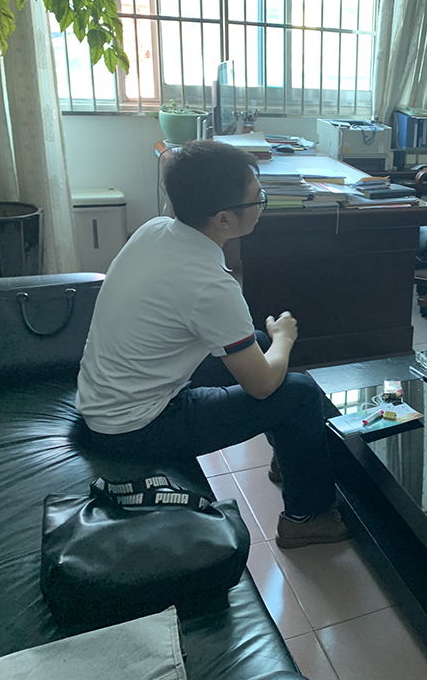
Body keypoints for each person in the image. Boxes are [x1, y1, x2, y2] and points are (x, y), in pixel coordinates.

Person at [75, 140, 348, 549]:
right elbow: (262, 386)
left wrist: (271, 344)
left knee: (257, 343)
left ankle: (291, 457)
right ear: (223, 218)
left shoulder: (155, 230)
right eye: (258, 199)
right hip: (135, 428)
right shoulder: (210, 285)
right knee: (299, 393)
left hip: (105, 399)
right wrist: (285, 338)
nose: (262, 205)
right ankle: (307, 517)